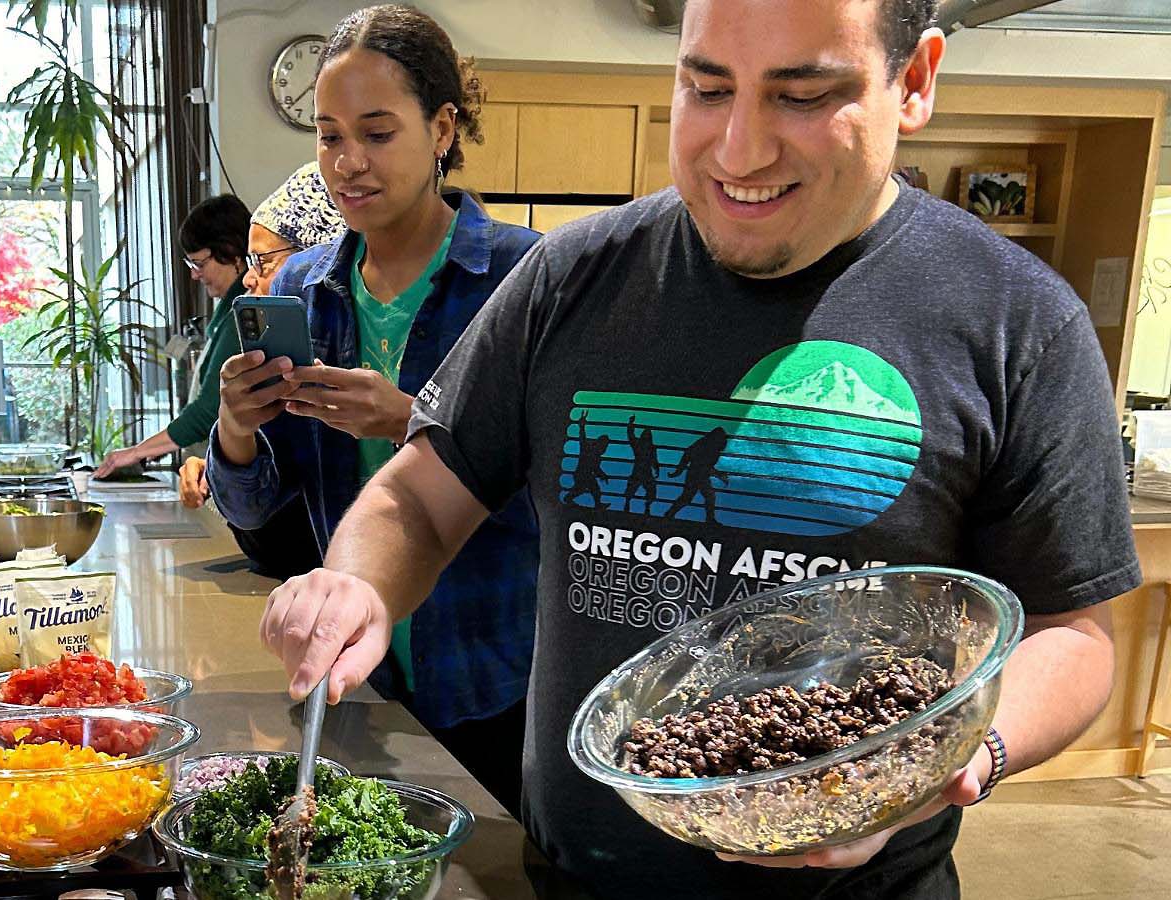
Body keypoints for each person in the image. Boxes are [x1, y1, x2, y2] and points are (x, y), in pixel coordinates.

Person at [257, 1, 1138, 898]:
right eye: (705, 88)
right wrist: (357, 583)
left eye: (802, 96)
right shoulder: (571, 278)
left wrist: (960, 760)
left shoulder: (1015, 323)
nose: (739, 151)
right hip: (573, 877)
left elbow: (1073, 633)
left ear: (912, 83)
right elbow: (422, 494)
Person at [205, 5, 542, 816]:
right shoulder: (298, 289)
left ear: (441, 129)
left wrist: (413, 422)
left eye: (378, 132)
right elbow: (261, 513)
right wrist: (238, 430)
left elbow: (568, 488)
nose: (347, 163)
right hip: (355, 674)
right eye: (328, 135)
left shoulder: (522, 278)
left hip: (493, 666)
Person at [176, 163, 347, 581]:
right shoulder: (282, 364)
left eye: (263, 261)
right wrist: (225, 455)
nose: (250, 277)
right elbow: (255, 507)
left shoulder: (356, 368)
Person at [92, 194, 250, 479]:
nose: (195, 275)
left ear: (232, 253)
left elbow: (209, 410)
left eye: (199, 264)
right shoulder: (227, 311)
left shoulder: (244, 313)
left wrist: (136, 452)